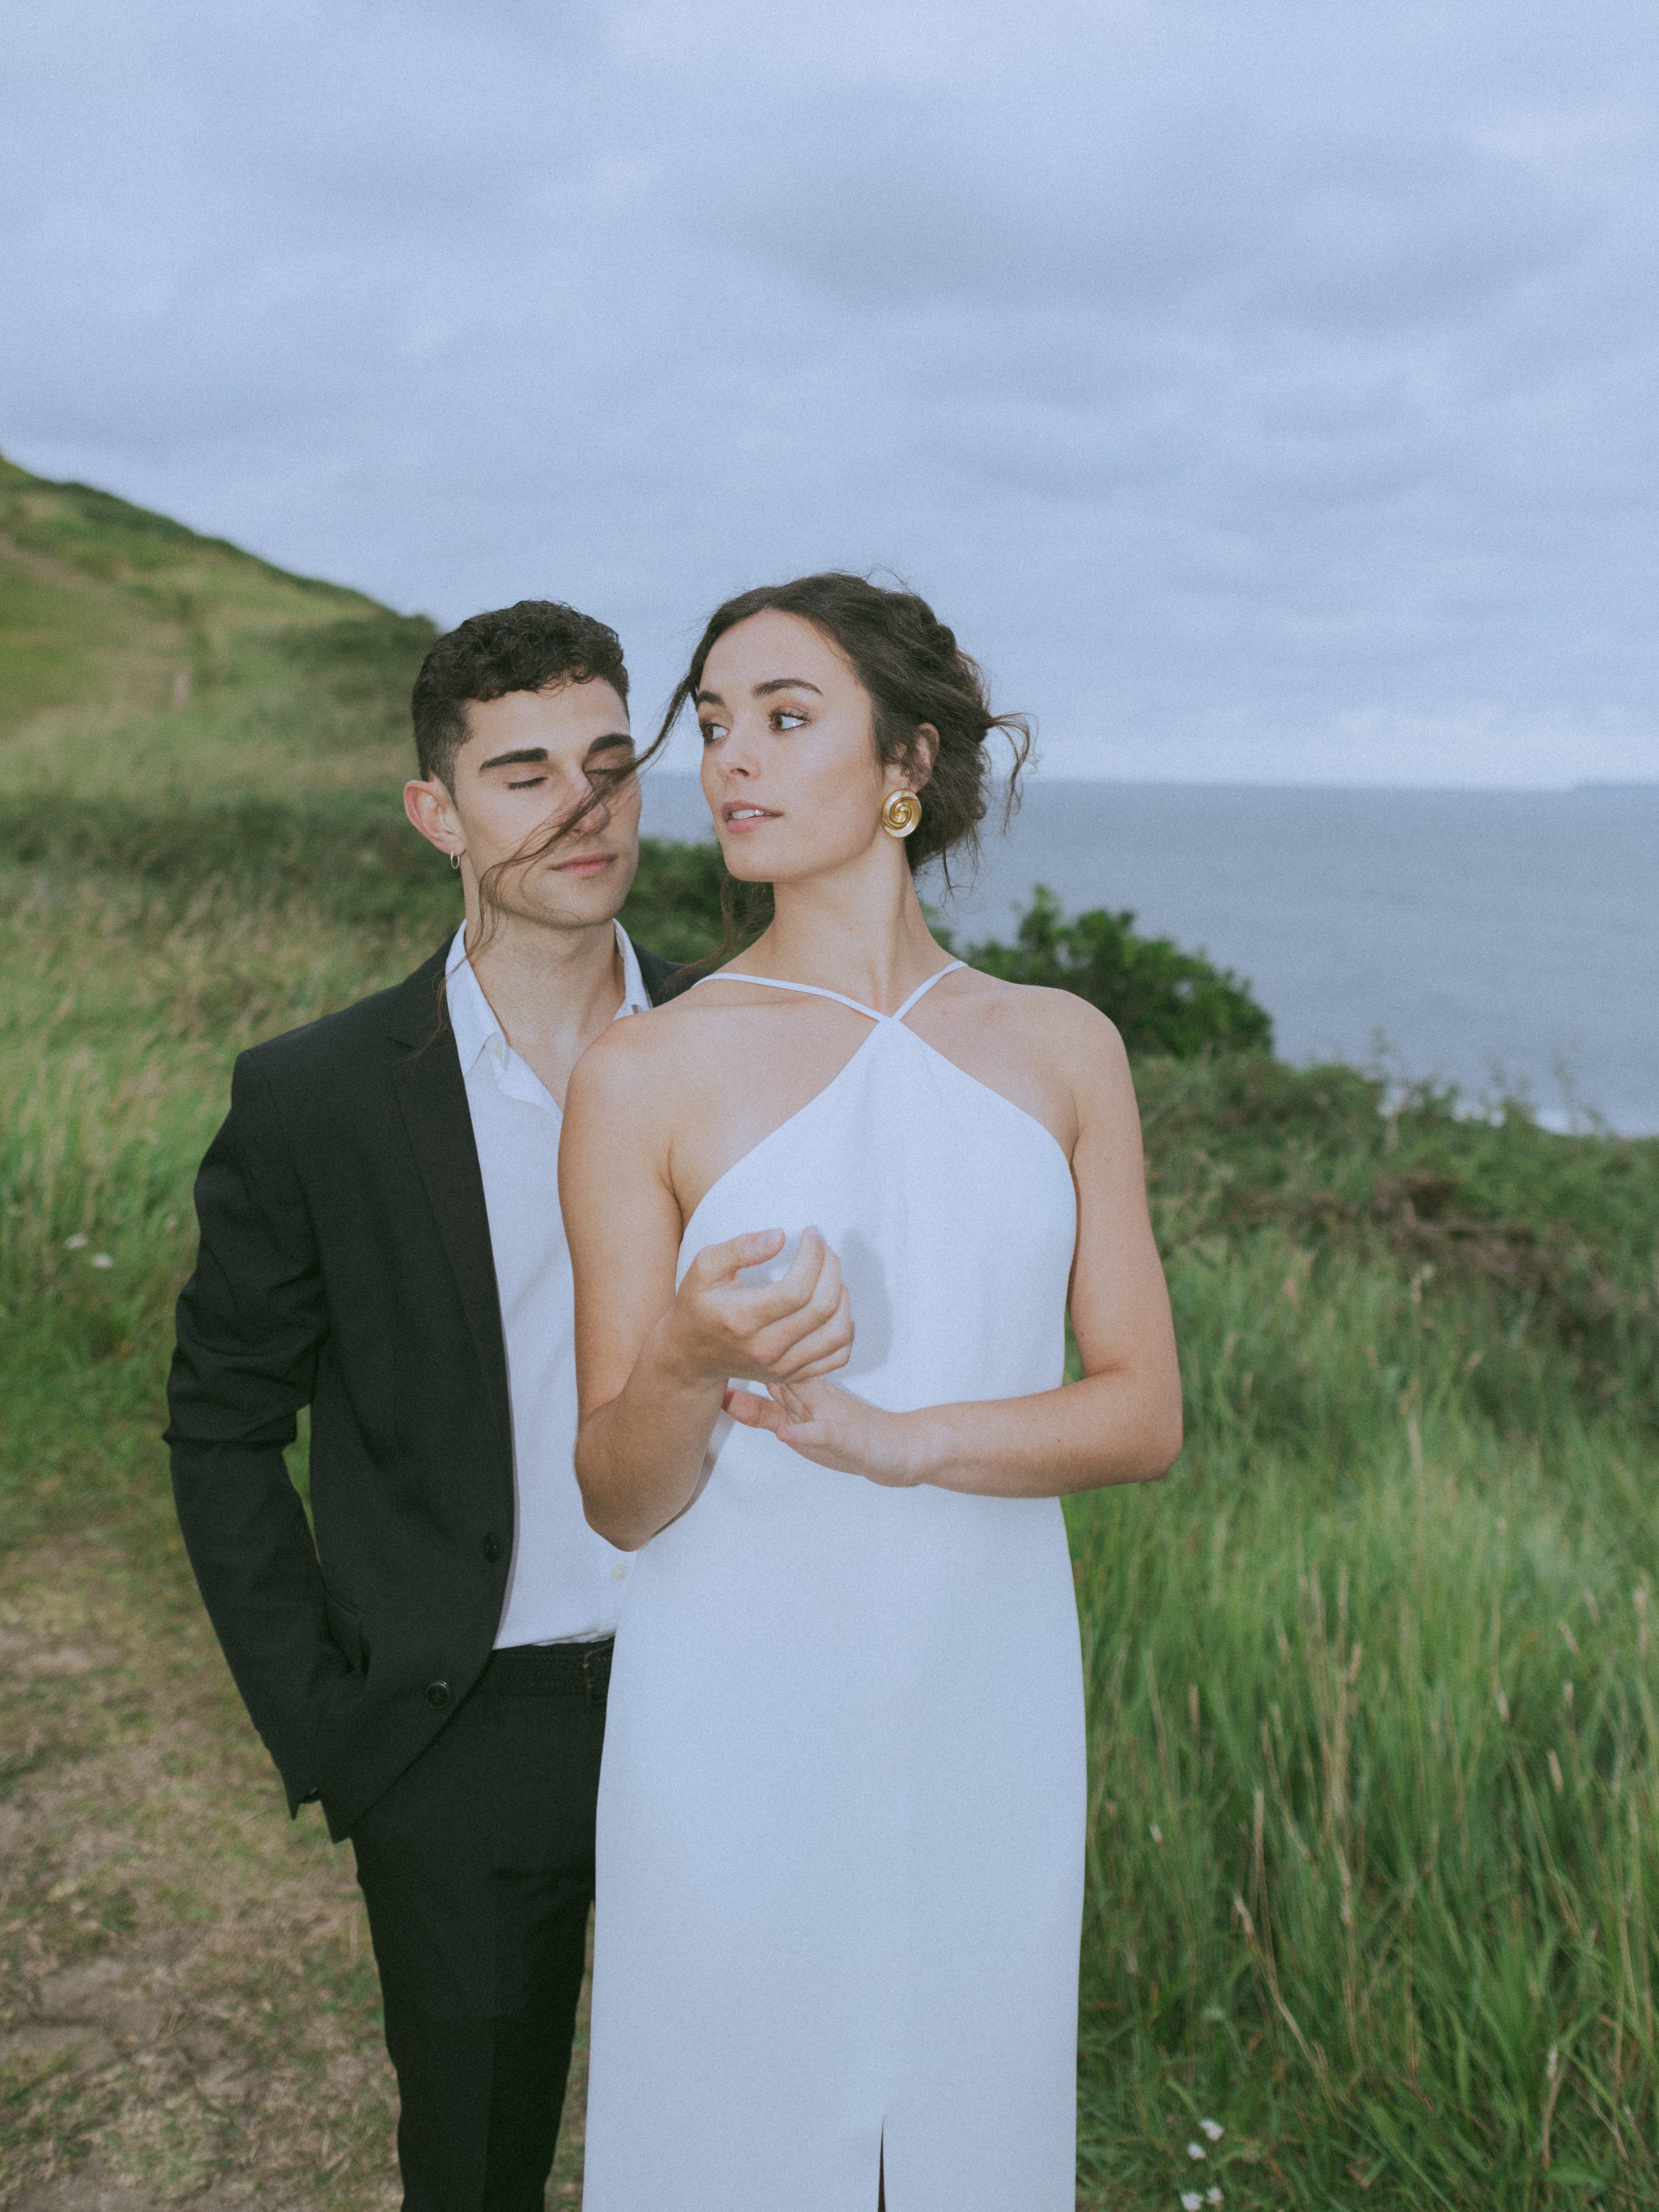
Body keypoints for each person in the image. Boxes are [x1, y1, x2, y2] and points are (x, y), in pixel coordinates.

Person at [559, 572, 1184, 2212]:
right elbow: (618, 1492)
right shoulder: (645, 1070)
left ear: (904, 761)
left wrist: (905, 1444)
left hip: (991, 1696)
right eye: (711, 727)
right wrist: (690, 1359)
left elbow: (1140, 1413)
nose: (730, 765)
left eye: (783, 717)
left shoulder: (1064, 1049)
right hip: (731, 1702)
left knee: (976, 2135)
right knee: (726, 2136)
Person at [165, 599, 683, 2211]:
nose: (582, 807)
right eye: (523, 774)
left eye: (609, 762)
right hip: (466, 1732)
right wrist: (333, 1715)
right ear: (436, 814)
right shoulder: (314, 1097)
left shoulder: (751, 1048)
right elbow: (222, 1424)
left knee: (747, 2159)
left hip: (728, 1702)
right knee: (474, 2171)